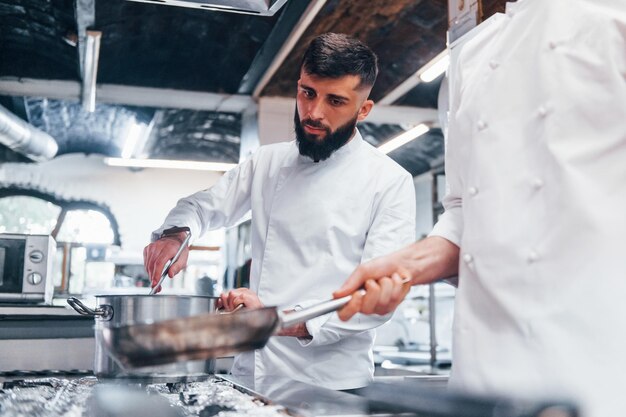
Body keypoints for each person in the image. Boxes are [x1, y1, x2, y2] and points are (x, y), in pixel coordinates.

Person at [334, 1, 626, 416]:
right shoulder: (472, 54)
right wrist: (407, 264)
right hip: (479, 378)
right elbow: (464, 210)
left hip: (593, 373)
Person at [143, 33, 416, 390]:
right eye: (307, 93)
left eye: (335, 100)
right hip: (252, 379)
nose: (314, 112)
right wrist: (176, 234)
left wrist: (273, 321)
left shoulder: (389, 182)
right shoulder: (267, 163)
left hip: (331, 388)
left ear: (363, 110)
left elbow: (373, 299)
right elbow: (202, 207)